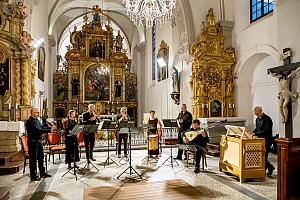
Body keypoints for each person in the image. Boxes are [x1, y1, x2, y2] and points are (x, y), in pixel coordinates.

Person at [25, 108, 53, 181]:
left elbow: (42, 128)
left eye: (38, 112)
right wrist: (49, 130)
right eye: (36, 112)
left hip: (39, 141)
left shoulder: (37, 120)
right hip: (33, 142)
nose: (38, 114)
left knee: (41, 158)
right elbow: (37, 130)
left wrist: (49, 127)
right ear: (32, 113)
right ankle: (33, 176)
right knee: (33, 159)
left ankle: (42, 173)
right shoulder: (29, 121)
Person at [252, 106, 275, 176]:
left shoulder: (267, 119)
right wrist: (251, 133)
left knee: (264, 156)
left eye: (257, 113)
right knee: (260, 155)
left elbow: (266, 131)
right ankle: (270, 167)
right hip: (259, 140)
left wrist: (255, 133)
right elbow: (257, 128)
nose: (256, 115)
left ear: (261, 111)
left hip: (266, 140)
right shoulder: (257, 119)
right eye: (255, 114)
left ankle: (264, 170)